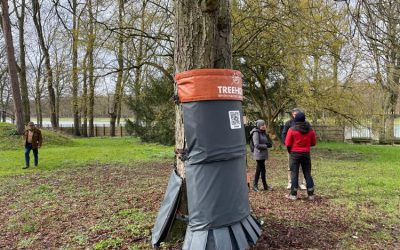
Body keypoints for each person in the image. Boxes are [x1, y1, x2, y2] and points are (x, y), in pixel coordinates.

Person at [285, 112, 316, 200]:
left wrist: (290, 151)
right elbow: (313, 142)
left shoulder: (292, 129)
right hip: (306, 154)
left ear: (295, 119)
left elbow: (287, 143)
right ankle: (310, 194)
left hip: (295, 154)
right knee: (307, 173)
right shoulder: (310, 129)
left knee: (294, 173)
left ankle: (293, 194)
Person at [282, 108, 307, 190]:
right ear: (292, 114)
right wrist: (287, 144)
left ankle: (302, 183)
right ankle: (290, 182)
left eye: (297, 114)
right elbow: (284, 134)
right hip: (291, 148)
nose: (296, 116)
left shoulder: (305, 123)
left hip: (302, 149)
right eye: (294, 114)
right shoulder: (288, 123)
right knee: (290, 166)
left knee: (302, 167)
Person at [250, 119, 273, 192]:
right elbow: (256, 145)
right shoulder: (256, 133)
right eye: (263, 125)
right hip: (258, 154)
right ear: (259, 126)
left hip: (262, 154)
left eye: (264, 124)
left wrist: (269, 144)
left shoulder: (262, 132)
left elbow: (265, 141)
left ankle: (265, 185)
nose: (264, 126)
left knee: (262, 170)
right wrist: (266, 146)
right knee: (259, 170)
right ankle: (255, 185)